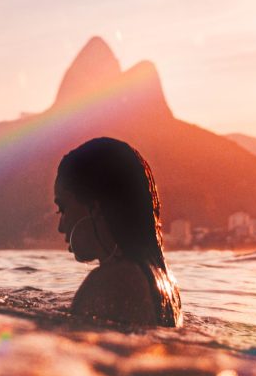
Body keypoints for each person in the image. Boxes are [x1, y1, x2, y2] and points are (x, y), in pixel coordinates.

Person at [54, 137, 182, 327]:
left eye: (63, 209)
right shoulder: (164, 282)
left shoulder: (110, 282)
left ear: (95, 207)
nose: (60, 226)